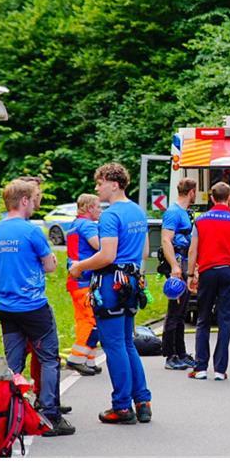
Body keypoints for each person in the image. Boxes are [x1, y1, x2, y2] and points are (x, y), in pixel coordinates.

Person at [0, 179, 75, 437]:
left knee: (14, 362)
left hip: (5, 306)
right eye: (33, 199)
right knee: (48, 359)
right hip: (32, 305)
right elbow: (50, 266)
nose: (35, 204)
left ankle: (11, 414)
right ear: (23, 200)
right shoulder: (31, 231)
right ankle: (50, 415)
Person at [68, 162, 152, 425]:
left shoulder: (110, 215)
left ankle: (122, 407)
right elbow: (145, 252)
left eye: (100, 183)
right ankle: (143, 401)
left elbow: (107, 255)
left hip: (111, 285)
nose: (97, 188)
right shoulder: (138, 212)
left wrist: (79, 266)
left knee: (114, 345)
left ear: (114, 184)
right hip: (132, 282)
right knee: (127, 343)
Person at [187, 182, 230, 381]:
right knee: (225, 320)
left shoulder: (200, 220)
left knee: (203, 319)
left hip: (207, 271)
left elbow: (193, 249)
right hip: (228, 271)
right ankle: (220, 370)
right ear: (229, 198)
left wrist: (190, 274)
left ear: (212, 198)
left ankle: (201, 367)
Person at [64, 194, 103, 376]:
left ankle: (89, 360)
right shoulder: (87, 225)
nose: (100, 211)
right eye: (98, 207)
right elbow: (98, 245)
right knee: (91, 320)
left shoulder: (74, 225)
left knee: (82, 319)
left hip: (75, 281)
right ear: (89, 208)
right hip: (84, 280)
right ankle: (76, 358)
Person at [161, 178, 197, 370]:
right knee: (174, 312)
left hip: (184, 263)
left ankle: (181, 352)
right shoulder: (173, 213)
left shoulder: (184, 213)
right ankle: (170, 355)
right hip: (177, 264)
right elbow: (166, 241)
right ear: (191, 192)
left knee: (182, 311)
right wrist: (175, 267)